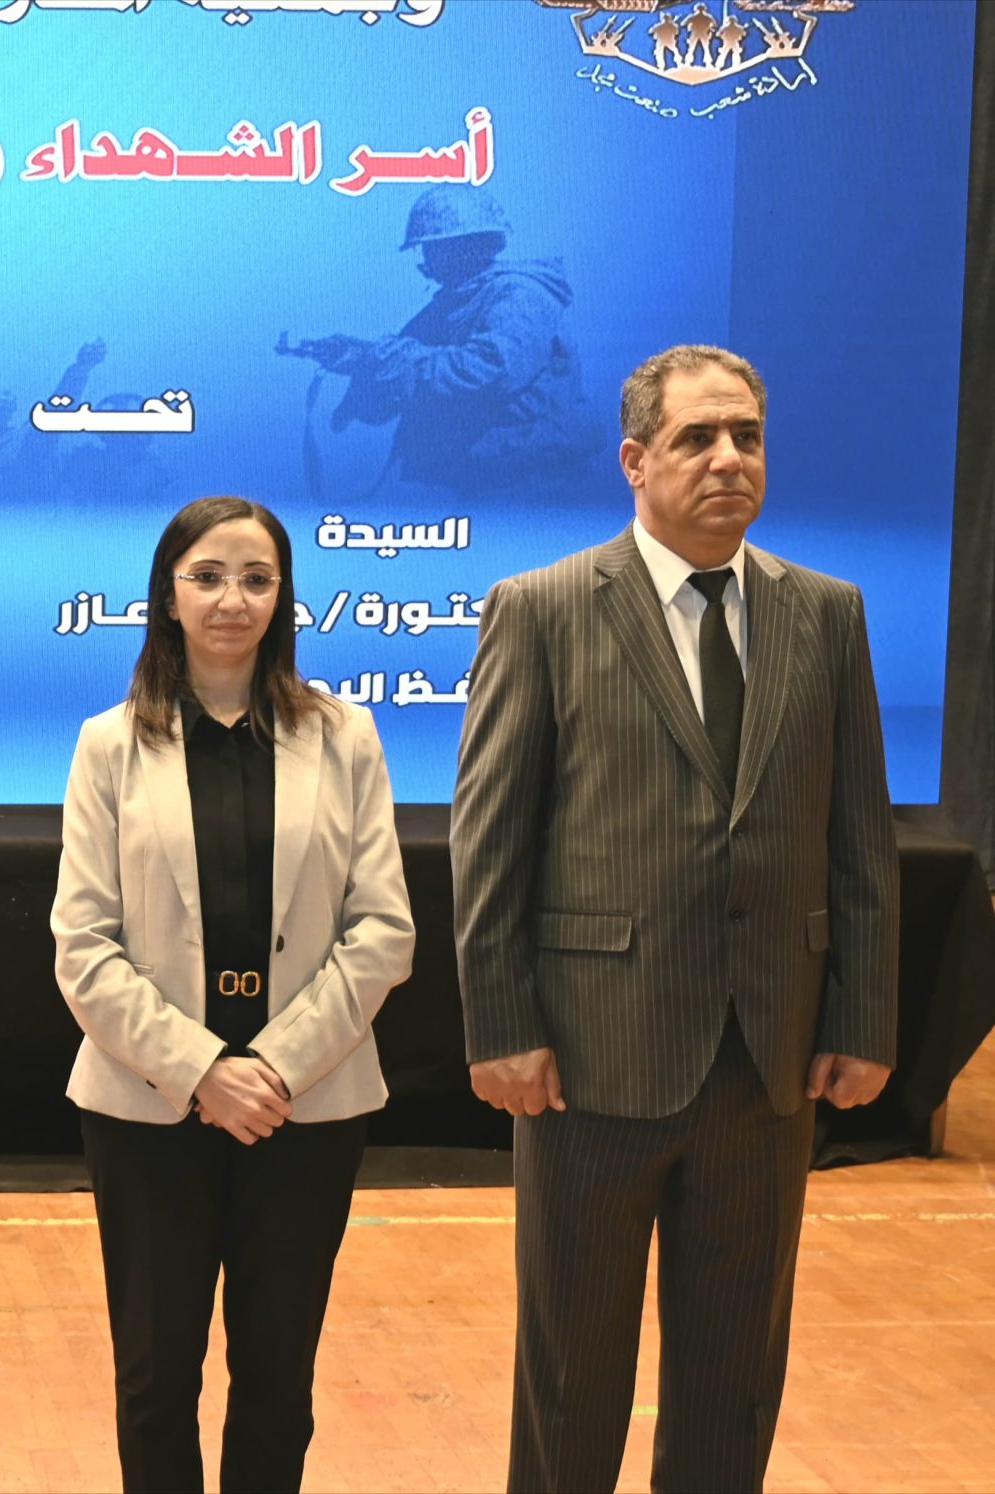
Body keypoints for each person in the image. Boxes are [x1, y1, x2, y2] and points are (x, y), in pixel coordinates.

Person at [452, 344, 898, 1491]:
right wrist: (499, 1025)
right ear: (634, 461)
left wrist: (861, 1017)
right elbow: (490, 842)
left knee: (733, 1383)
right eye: (697, 438)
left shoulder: (827, 613)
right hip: (588, 1064)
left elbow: (859, 838)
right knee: (571, 1380)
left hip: (768, 1066)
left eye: (746, 436)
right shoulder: (541, 610)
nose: (727, 459)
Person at [52, 495, 415, 1492]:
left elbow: (383, 930)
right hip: (148, 1111)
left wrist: (275, 1069)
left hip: (307, 1107)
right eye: (207, 577)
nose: (232, 600)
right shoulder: (107, 744)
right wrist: (203, 1070)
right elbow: (83, 946)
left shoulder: (345, 735)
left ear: (283, 599)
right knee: (155, 1383)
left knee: (277, 1383)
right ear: (167, 596)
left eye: (257, 580)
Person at [286, 187, 591, 493]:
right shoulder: (450, 306)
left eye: (433, 247)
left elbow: (490, 371)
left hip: (540, 483)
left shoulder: (520, 295)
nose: (427, 259)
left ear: (465, 246)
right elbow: (395, 387)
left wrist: (383, 359)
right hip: (485, 483)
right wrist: (360, 362)